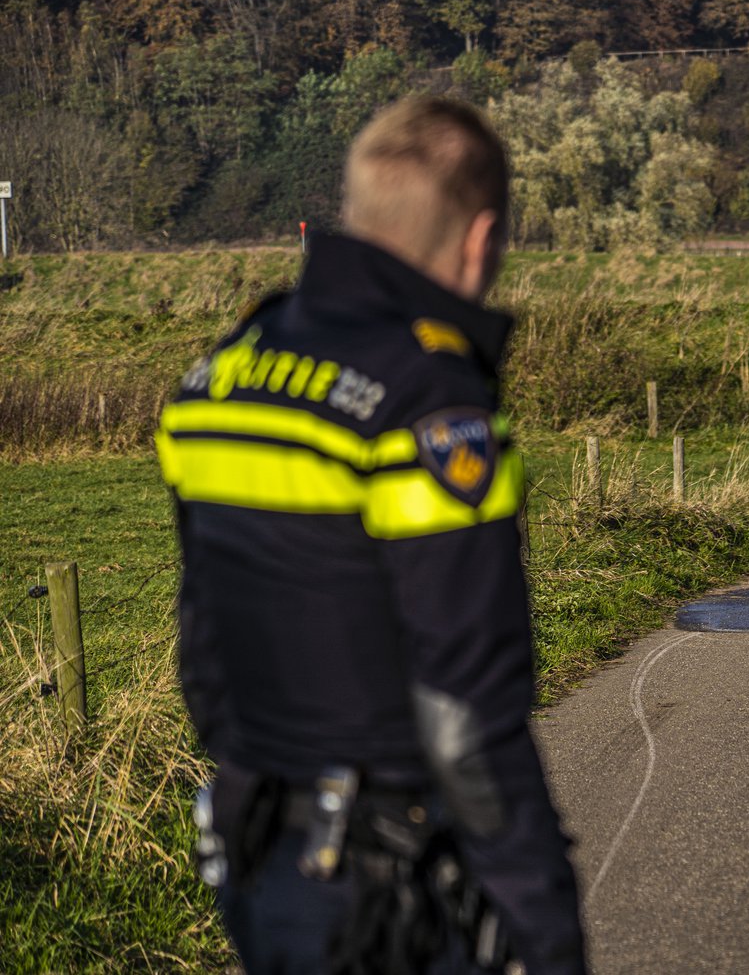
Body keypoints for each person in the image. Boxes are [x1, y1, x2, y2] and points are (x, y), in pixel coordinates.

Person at [158, 97, 585, 974]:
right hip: (394, 890)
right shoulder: (430, 400)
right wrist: (544, 926)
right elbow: (464, 716)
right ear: (479, 239)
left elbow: (201, 645)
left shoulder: (225, 372)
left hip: (259, 857)